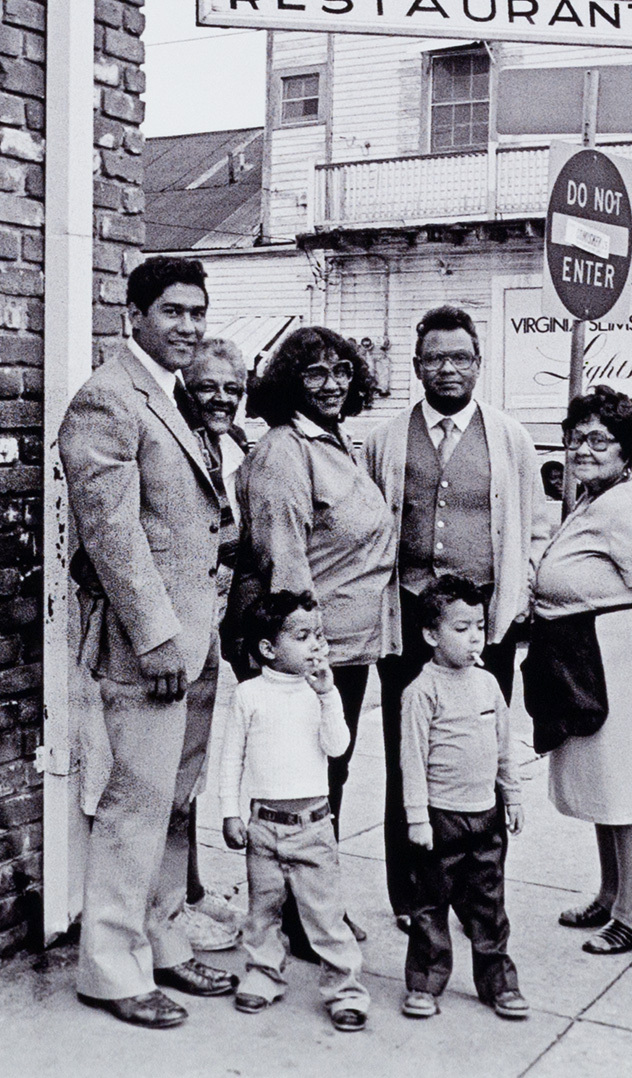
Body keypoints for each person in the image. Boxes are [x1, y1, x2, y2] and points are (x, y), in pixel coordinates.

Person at [59, 256, 238, 1029]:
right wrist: (159, 637)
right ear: (132, 313)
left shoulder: (175, 395)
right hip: (152, 648)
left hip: (200, 641)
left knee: (176, 803)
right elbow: (112, 536)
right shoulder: (107, 399)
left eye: (197, 313)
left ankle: (163, 941)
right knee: (136, 805)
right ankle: (110, 967)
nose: (189, 328)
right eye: (172, 312)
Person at [363, 305, 548, 932]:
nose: (448, 368)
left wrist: (514, 606)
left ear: (478, 364)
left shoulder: (509, 438)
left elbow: (533, 527)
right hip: (408, 617)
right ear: (416, 366)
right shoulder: (386, 440)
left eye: (460, 357)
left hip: (483, 625)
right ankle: (414, 899)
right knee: (408, 756)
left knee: (478, 757)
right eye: (435, 357)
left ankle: (478, 897)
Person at [228, 325, 395, 945]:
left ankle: (312, 903)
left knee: (327, 779)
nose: (333, 384)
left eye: (342, 372)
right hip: (308, 651)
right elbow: (283, 562)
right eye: (315, 373)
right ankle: (298, 916)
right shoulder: (283, 451)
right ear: (287, 383)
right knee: (300, 787)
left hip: (344, 648)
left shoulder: (333, 444)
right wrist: (304, 658)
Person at [526, 386, 632, 956]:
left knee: (626, 783)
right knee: (603, 782)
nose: (584, 449)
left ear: (628, 450)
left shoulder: (628, 504)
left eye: (600, 439)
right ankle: (609, 893)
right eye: (576, 439)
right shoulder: (597, 498)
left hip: (625, 659)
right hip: (590, 655)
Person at [218, 591, 369, 1032]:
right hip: (264, 826)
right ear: (268, 648)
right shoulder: (249, 695)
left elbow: (337, 747)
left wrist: (328, 697)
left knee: (325, 914)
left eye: (318, 635)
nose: (315, 646)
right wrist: (230, 812)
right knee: (263, 911)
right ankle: (264, 975)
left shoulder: (319, 691)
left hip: (313, 827)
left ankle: (345, 990)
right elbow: (232, 758)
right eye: (302, 636)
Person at [399, 576, 529, 1023]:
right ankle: (425, 982)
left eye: (478, 625)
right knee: (431, 906)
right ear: (431, 635)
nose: (474, 636)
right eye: (461, 627)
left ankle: (499, 981)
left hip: (486, 814)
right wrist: (417, 817)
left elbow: (504, 746)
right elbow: (411, 761)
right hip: (440, 818)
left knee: (489, 905)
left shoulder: (489, 684)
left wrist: (511, 795)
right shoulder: (421, 692)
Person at [178, 338, 251, 951]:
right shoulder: (178, 443)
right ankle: (176, 903)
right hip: (173, 634)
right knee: (173, 774)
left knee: (195, 765)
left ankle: (194, 891)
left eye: (232, 387)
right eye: (208, 386)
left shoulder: (232, 445)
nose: (221, 397)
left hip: (214, 633)